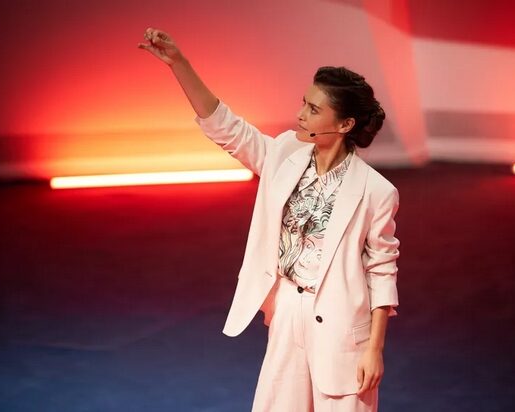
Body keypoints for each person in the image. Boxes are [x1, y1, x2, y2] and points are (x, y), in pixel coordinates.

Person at [139, 27, 401, 412]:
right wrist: (179, 64)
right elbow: (226, 127)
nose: (300, 114)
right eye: (304, 103)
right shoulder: (284, 153)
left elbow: (381, 271)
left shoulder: (376, 191)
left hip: (344, 328)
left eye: (314, 110)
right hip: (287, 314)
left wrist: (374, 350)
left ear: (345, 125)